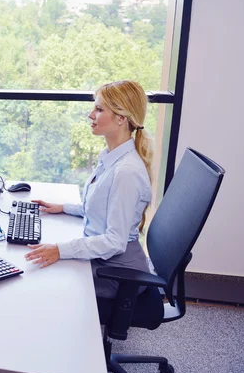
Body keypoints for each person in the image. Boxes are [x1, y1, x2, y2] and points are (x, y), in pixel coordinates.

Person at [24, 80, 153, 299]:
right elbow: (103, 206)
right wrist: (64, 208)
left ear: (121, 118)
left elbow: (114, 241)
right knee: (39, 270)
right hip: (104, 259)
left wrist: (61, 250)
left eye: (99, 109)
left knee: (39, 283)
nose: (90, 115)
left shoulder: (126, 172)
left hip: (117, 273)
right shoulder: (111, 158)